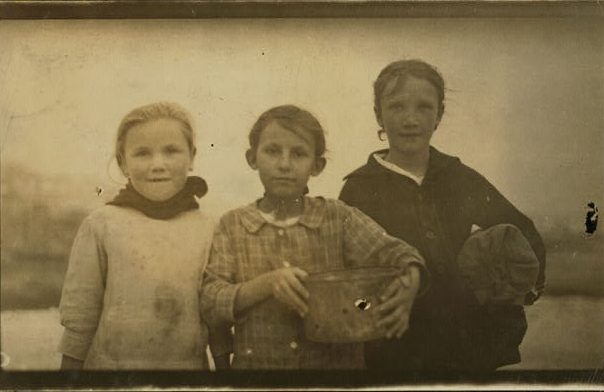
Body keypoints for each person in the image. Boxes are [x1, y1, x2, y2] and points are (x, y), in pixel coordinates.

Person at [339, 60, 547, 371]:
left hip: (467, 343)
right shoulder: (359, 189)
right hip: (395, 349)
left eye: (424, 107)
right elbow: (346, 273)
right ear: (378, 114)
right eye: (396, 106)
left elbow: (523, 231)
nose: (411, 119)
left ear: (439, 115)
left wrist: (515, 294)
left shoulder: (459, 177)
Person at [200, 105, 427, 369]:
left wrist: (411, 280)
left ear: (317, 165)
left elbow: (399, 254)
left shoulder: (338, 218)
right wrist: (265, 285)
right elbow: (210, 301)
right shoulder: (232, 225)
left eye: (298, 154)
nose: (284, 164)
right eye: (273, 151)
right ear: (253, 158)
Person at [58, 102, 228, 369]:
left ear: (192, 156)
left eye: (171, 151)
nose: (157, 164)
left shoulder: (210, 228)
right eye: (142, 153)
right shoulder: (101, 225)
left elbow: (216, 317)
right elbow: (80, 316)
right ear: (123, 162)